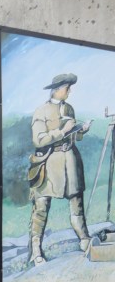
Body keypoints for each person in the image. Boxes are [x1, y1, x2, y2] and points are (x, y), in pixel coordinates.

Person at [26, 73, 93, 265]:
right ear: (56, 89)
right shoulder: (41, 111)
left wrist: (80, 131)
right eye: (67, 88)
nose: (70, 91)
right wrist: (62, 131)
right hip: (48, 163)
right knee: (41, 208)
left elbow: (73, 136)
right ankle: (36, 251)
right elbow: (38, 140)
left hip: (70, 160)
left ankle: (85, 240)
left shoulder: (69, 108)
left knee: (77, 203)